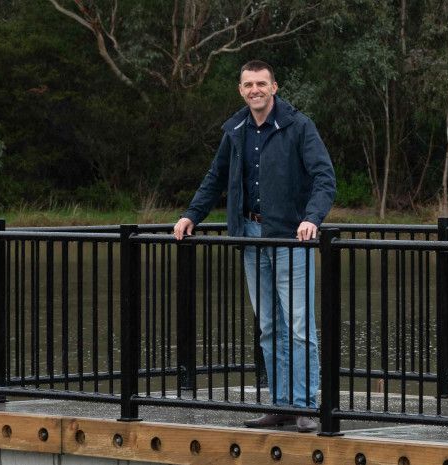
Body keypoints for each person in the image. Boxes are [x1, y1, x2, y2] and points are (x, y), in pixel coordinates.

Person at [172, 60, 336, 433]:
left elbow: (325, 178)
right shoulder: (236, 130)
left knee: (299, 328)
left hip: (293, 238)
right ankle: (280, 405)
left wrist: (312, 218)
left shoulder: (299, 126)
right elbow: (215, 178)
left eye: (262, 83)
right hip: (250, 237)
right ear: (241, 90)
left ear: (274, 87)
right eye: (248, 84)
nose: (255, 90)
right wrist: (190, 216)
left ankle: (305, 405)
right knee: (268, 328)